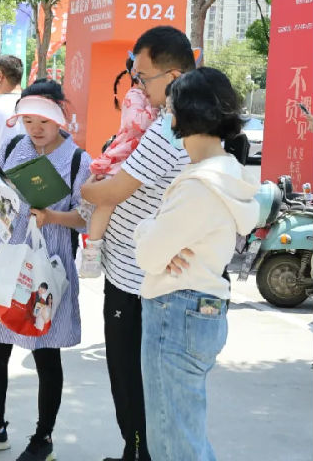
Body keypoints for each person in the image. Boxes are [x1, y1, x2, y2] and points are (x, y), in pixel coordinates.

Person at [80, 25, 196, 461]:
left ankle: (138, 453)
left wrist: (87, 187)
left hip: (135, 281)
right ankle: (135, 452)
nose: (140, 87)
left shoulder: (166, 131)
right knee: (139, 379)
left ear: (174, 75)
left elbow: (110, 193)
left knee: (129, 377)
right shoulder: (188, 125)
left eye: (144, 77)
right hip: (143, 272)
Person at [0, 80, 91, 460]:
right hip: (5, 255)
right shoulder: (13, 145)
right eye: (28, 120)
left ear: (60, 116)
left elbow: (86, 217)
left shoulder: (78, 160)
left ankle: (43, 438)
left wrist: (52, 216)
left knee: (45, 353)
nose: (35, 129)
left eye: (43, 121)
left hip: (47, 264)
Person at [134, 68, 258, 460]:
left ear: (185, 113)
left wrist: (147, 227)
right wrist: (156, 233)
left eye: (169, 108)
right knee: (183, 434)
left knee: (173, 443)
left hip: (175, 311)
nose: (165, 116)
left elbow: (148, 255)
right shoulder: (226, 173)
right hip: (199, 309)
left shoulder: (199, 185)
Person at [79, 56, 158, 277]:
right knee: (107, 202)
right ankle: (92, 251)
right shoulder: (135, 95)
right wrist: (159, 111)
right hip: (124, 155)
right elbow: (136, 124)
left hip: (137, 157)